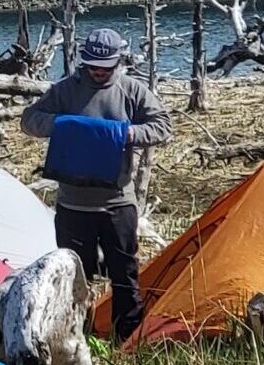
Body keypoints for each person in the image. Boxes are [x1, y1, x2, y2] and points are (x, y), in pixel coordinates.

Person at [20, 27, 171, 343]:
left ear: (118, 63)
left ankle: (127, 341)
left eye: (105, 68)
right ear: (82, 62)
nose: (98, 73)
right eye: (92, 66)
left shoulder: (132, 90)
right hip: (73, 205)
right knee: (75, 279)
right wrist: (62, 126)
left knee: (125, 277)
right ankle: (76, 339)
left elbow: (162, 126)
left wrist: (129, 134)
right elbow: (29, 120)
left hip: (118, 204)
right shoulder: (65, 90)